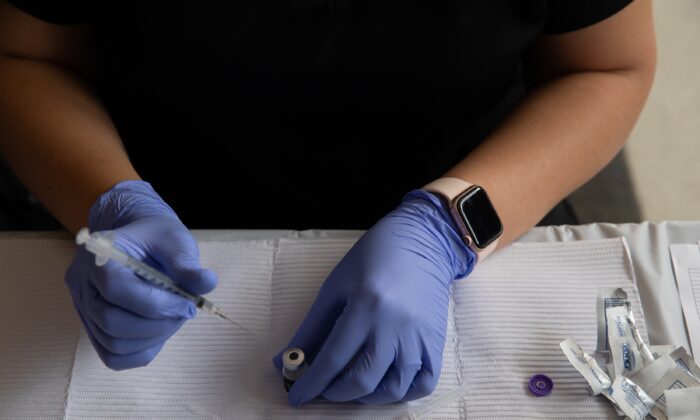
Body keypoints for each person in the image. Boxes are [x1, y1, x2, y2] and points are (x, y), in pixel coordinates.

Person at [0, 0, 655, 406]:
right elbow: (28, 56)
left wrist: (447, 228)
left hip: (480, 176)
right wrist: (107, 200)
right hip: (155, 182)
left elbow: (605, 67)